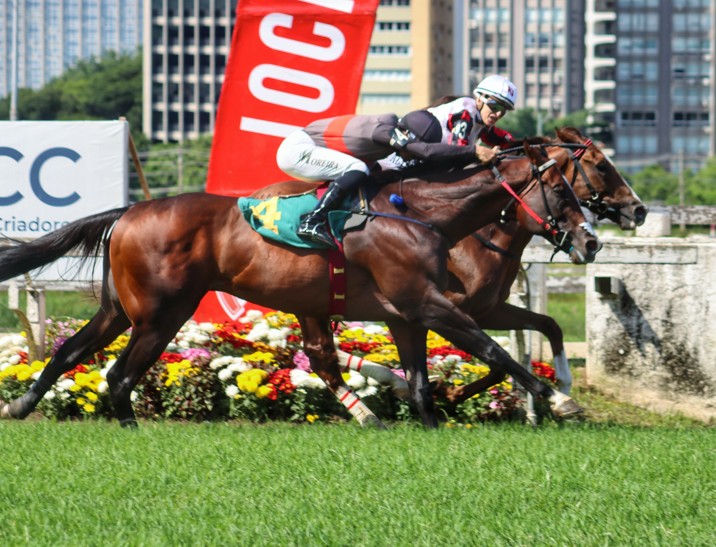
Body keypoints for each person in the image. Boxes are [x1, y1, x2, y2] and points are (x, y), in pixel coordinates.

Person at [276, 109, 489, 248]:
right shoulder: (384, 131)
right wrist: (473, 151)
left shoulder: (391, 131)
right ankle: (312, 221)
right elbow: (425, 151)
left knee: (371, 174)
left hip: (309, 148)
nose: (411, 157)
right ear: (407, 135)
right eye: (412, 151)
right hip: (297, 150)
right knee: (358, 168)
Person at [428, 74, 518, 161]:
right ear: (479, 100)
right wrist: (482, 153)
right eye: (495, 107)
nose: (498, 114)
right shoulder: (466, 112)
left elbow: (505, 140)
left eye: (503, 111)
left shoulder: (482, 118)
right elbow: (458, 150)